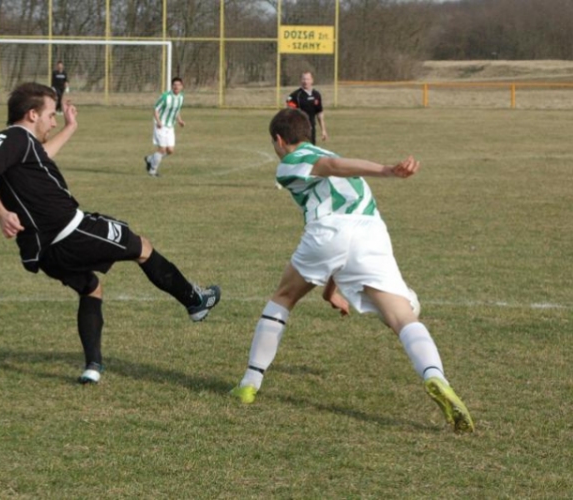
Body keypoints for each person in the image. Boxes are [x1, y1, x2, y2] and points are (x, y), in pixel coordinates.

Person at [230, 108, 474, 434]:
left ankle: (249, 383)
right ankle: (435, 376)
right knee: (403, 317)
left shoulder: (291, 161)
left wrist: (388, 170)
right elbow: (339, 202)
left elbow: (331, 177)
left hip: (330, 229)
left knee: (284, 297)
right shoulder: (327, 151)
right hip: (371, 231)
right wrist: (331, 292)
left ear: (278, 139)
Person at [0, 82, 220, 384]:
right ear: (32, 114)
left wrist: (71, 127)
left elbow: (42, 156)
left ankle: (92, 366)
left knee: (91, 288)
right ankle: (195, 301)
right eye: (52, 115)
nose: (54, 121)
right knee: (142, 246)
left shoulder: (20, 144)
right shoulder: (13, 137)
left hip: (44, 251)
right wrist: (0, 213)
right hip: (71, 231)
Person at [144, 77, 185, 177]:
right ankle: (152, 171)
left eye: (178, 85)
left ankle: (150, 159)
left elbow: (176, 110)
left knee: (170, 150)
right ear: (172, 86)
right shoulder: (165, 96)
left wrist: (179, 120)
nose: (176, 87)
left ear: (182, 86)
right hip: (160, 126)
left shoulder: (181, 97)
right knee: (162, 149)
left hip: (171, 126)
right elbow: (155, 109)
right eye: (174, 85)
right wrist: (158, 122)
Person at [286, 71, 327, 144]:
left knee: (311, 150)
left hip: (311, 128)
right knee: (301, 150)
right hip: (299, 129)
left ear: (312, 80)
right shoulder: (295, 95)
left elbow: (319, 113)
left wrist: (323, 130)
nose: (305, 81)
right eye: (303, 79)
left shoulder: (316, 95)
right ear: (301, 80)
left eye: (307, 79)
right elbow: (290, 114)